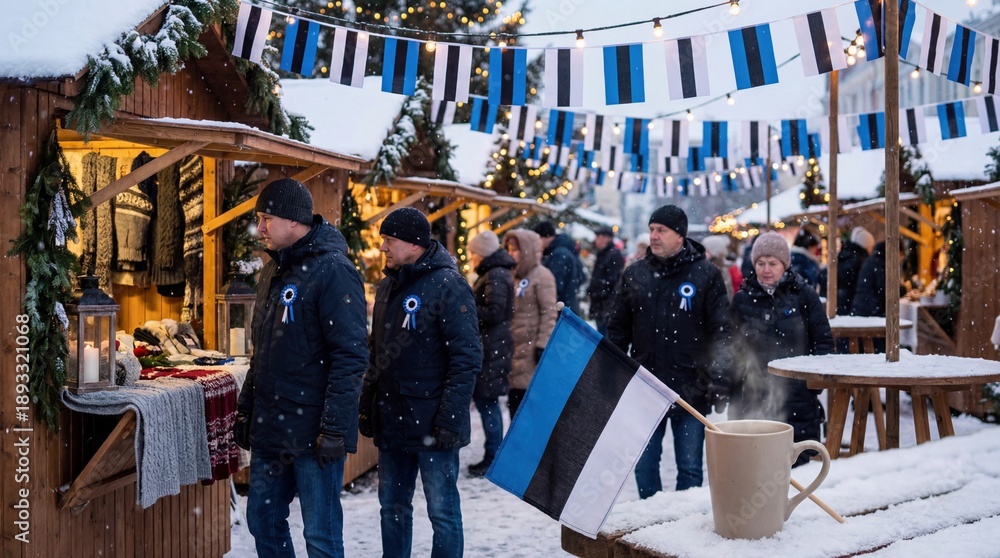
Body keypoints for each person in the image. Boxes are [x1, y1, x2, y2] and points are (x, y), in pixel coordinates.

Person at [235, 178, 369, 557]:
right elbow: (263, 351)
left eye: (266, 218)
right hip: (272, 425)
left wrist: (333, 428)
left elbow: (351, 355)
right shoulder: (272, 272)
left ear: (294, 221)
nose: (259, 228)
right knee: (263, 521)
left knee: (321, 536)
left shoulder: (334, 271)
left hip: (313, 430)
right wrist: (247, 407)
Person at [358, 207, 481, 558]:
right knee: (392, 507)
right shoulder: (386, 287)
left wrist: (450, 420)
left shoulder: (448, 285)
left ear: (414, 244)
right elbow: (376, 353)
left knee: (442, 512)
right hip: (392, 420)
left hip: (434, 423)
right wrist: (367, 405)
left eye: (390, 240)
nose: (383, 248)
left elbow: (467, 357)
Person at [607, 205, 732, 498]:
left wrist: (720, 377)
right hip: (645, 387)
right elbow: (617, 329)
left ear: (680, 235)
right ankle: (650, 527)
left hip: (692, 386)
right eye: (652, 229)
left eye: (661, 230)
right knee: (645, 465)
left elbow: (723, 333)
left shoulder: (705, 274)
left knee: (689, 466)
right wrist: (612, 372)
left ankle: (683, 528)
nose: (654, 235)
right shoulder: (635, 274)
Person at [728, 231, 834, 468]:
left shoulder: (804, 295)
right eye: (761, 263)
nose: (766, 269)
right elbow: (733, 349)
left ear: (784, 265)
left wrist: (812, 383)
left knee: (798, 468)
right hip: (755, 398)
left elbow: (823, 342)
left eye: (772, 263)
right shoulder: (743, 299)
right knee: (757, 468)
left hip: (797, 399)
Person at [465, 230, 515, 477]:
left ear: (482, 253)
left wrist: (466, 306)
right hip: (493, 345)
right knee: (488, 401)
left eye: (473, 253)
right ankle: (494, 455)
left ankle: (494, 457)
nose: (471, 258)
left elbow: (495, 312)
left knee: (488, 401)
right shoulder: (494, 273)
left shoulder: (495, 275)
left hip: (492, 347)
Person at [503, 229, 557, 418]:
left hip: (531, 349)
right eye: (509, 249)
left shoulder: (543, 276)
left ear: (527, 250)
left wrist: (542, 344)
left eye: (515, 250)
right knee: (514, 405)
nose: (511, 254)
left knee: (526, 405)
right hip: (513, 349)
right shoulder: (512, 275)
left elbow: (549, 313)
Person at [531, 220, 584, 315]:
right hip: (566, 307)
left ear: (544, 237)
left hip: (560, 310)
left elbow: (553, 285)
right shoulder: (562, 250)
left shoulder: (559, 255)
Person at [588, 225, 625, 335]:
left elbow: (614, 281)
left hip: (606, 306)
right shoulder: (602, 254)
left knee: (605, 339)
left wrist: (597, 288)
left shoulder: (613, 255)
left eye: (599, 236)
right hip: (600, 305)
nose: (596, 240)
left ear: (607, 238)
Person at [835, 226, 875, 316]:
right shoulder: (860, 260)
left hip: (840, 302)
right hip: (851, 303)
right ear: (865, 245)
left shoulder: (844, 255)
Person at [700, 234, 741, 299]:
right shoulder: (703, 268)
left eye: (707, 251)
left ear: (715, 252)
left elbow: (732, 291)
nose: (704, 254)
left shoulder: (729, 268)